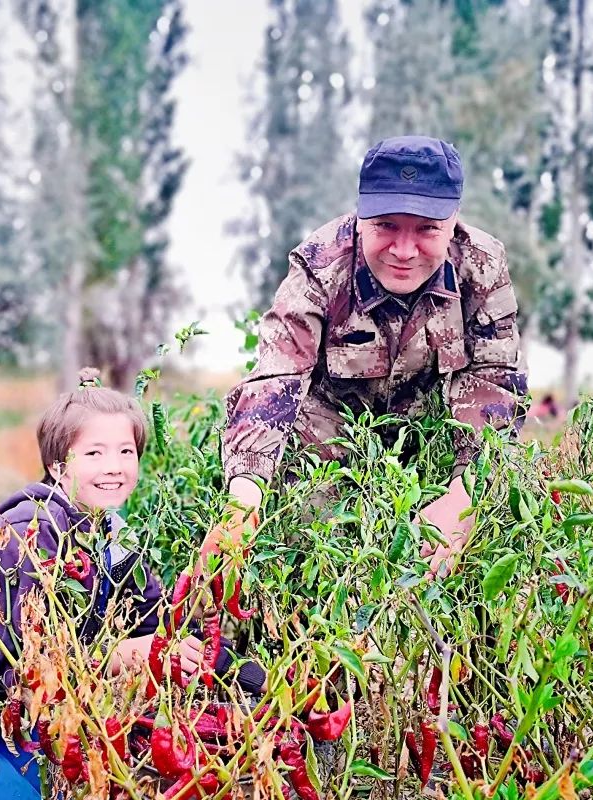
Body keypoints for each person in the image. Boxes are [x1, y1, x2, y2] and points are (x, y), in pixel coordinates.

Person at [0, 382, 264, 800]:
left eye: (125, 452)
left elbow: (160, 625)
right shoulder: (29, 536)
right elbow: (31, 676)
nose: (113, 466)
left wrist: (241, 671)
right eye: (94, 453)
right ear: (57, 467)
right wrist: (129, 654)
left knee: (86, 785)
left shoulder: (112, 537)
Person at [210, 136, 527, 577]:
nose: (403, 250)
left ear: (453, 220)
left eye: (426, 229)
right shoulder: (321, 266)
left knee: (481, 545)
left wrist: (463, 494)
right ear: (361, 216)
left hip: (428, 441)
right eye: (385, 226)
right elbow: (275, 379)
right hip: (327, 441)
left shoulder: (482, 266)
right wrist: (241, 504)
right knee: (310, 566)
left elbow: (495, 380)